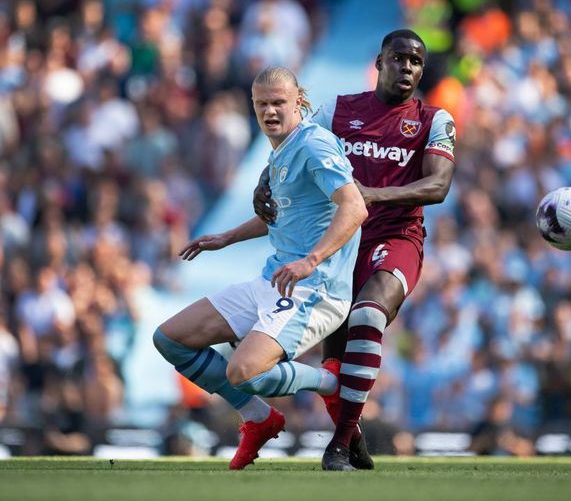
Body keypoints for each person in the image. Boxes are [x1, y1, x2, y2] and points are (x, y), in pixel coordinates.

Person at [254, 29, 456, 470]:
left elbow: (438, 185)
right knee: (335, 366)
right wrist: (265, 180)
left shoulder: (434, 120)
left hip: (396, 238)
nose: (407, 67)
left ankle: (339, 444)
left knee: (369, 313)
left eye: (416, 62)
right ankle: (355, 438)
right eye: (399, 58)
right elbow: (292, 149)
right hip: (339, 245)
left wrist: (372, 195)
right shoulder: (338, 110)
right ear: (380, 61)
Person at [153, 65, 368, 470]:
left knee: (244, 371)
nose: (270, 112)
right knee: (171, 339)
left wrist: (311, 260)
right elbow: (285, 214)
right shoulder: (281, 149)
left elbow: (354, 206)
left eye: (278, 103)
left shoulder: (314, 145)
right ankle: (258, 417)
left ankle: (332, 382)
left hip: (314, 289)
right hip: (274, 280)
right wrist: (227, 237)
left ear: (299, 101)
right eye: (262, 105)